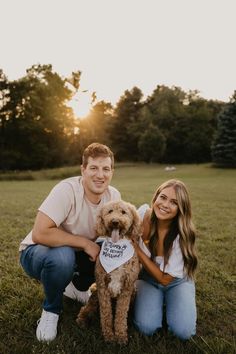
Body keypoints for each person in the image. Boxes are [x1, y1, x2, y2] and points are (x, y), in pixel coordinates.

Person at [19, 143, 121, 342]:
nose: (100, 175)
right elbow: (40, 232)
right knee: (62, 257)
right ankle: (51, 310)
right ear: (83, 170)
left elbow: (112, 236)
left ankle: (75, 287)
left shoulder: (113, 196)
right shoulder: (66, 190)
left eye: (106, 169)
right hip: (37, 252)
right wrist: (85, 243)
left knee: (107, 252)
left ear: (112, 172)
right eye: (93, 168)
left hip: (73, 253)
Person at [132, 179, 198, 340]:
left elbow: (164, 279)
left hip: (175, 281)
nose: (165, 204)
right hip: (147, 279)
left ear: (180, 209)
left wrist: (137, 249)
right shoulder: (141, 215)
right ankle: (156, 302)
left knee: (183, 332)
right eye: (163, 197)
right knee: (146, 327)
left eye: (174, 202)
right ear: (155, 198)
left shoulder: (182, 235)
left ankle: (179, 298)